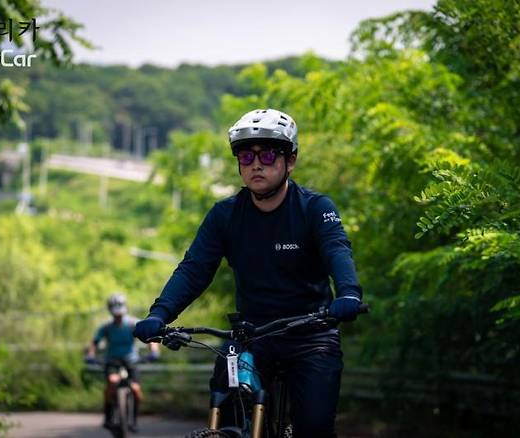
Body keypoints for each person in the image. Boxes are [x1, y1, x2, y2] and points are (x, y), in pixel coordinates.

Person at [133, 109, 363, 437]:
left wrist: (349, 293)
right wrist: (159, 315)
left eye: (268, 154)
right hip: (250, 336)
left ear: (291, 160)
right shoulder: (224, 215)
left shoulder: (315, 208)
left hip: (311, 335)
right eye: (246, 155)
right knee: (227, 418)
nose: (256, 164)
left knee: (313, 428)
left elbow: (337, 250)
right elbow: (194, 270)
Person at [86, 292, 160, 431]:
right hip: (112, 360)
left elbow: (150, 337)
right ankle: (108, 416)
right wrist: (90, 355)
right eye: (115, 313)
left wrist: (154, 351)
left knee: (136, 389)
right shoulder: (106, 327)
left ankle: (133, 420)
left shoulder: (133, 323)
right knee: (112, 382)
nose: (118, 316)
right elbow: (94, 343)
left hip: (131, 360)